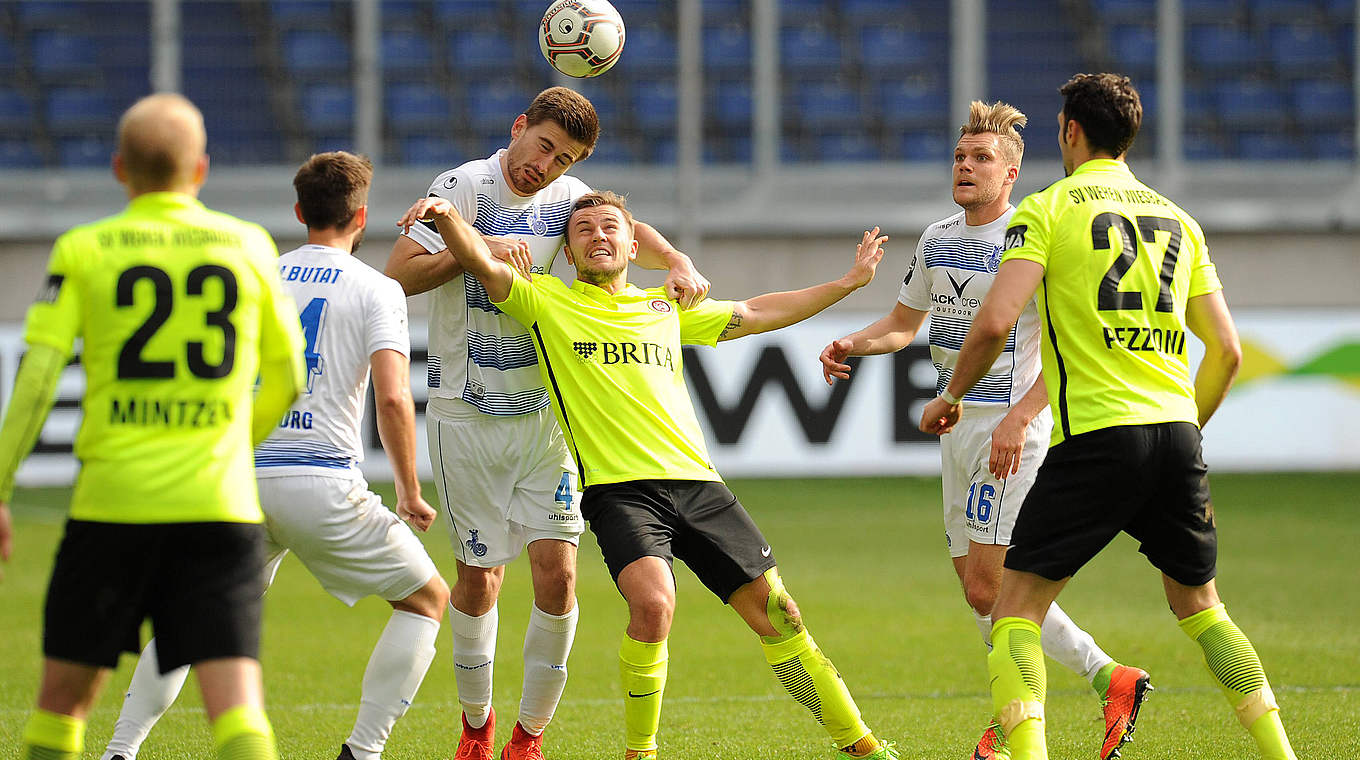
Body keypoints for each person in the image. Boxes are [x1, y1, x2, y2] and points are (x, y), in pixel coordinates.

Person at [399, 190, 900, 760]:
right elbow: (485, 267)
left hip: (700, 485)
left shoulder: (665, 308)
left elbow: (758, 312)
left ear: (634, 245)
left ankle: (862, 746)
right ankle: (642, 751)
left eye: (609, 226)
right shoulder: (546, 302)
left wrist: (848, 283)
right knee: (655, 605)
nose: (597, 236)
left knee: (781, 614)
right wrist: (448, 217)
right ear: (567, 250)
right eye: (582, 229)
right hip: (620, 493)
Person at [918, 73, 1298, 760]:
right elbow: (1228, 351)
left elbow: (996, 321)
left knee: (1012, 610)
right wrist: (1189, 431)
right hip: (1177, 433)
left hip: (1094, 436)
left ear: (1070, 132)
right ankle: (1282, 752)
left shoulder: (1048, 209)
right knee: (1202, 607)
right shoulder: (1178, 219)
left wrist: (949, 397)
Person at [383, 86, 708, 760]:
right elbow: (400, 275)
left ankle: (527, 739)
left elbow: (630, 231)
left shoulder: (570, 198)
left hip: (548, 419)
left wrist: (676, 259)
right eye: (542, 147)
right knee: (479, 580)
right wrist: (473, 248)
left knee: (557, 576)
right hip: (464, 413)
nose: (547, 166)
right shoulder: (463, 186)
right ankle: (477, 726)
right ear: (518, 128)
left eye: (564, 159)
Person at [819, 101, 1148, 760]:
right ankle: (1082, 689)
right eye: (960, 157)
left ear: (1012, 172)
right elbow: (903, 325)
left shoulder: (1032, 237)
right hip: (957, 426)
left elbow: (1072, 346)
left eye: (982, 159)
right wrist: (853, 341)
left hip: (1008, 428)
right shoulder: (938, 239)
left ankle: (1046, 710)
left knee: (987, 586)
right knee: (983, 590)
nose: (966, 167)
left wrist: (1022, 416)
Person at [98, 151, 452, 760]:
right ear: (361, 216)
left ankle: (119, 751)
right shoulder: (377, 289)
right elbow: (393, 398)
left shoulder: (258, 275)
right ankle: (362, 752)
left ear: (298, 211)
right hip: (320, 482)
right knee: (427, 599)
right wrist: (409, 489)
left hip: (238, 480)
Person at [0, 93, 304, 760]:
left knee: (59, 711)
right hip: (217, 507)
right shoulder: (248, 245)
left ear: (118, 169)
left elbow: (36, 381)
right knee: (238, 716)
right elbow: (287, 377)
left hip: (112, 506)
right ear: (200, 169)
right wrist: (225, 442)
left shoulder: (84, 249)